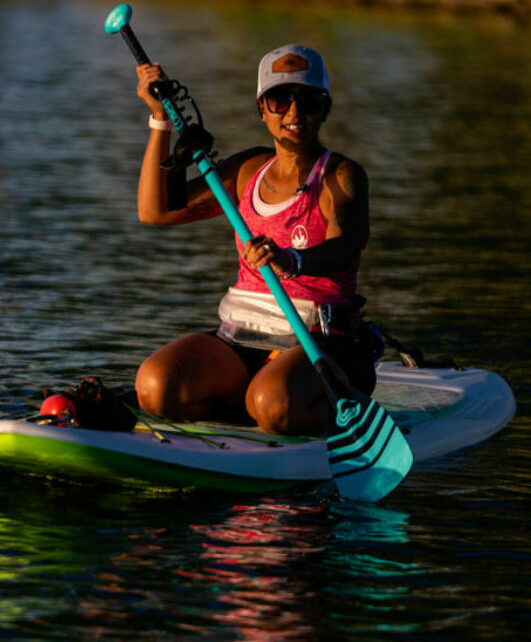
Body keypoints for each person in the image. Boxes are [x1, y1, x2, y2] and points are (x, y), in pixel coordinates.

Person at [132, 44, 378, 436]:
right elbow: (154, 211)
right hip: (242, 333)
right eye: (280, 101)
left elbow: (347, 247)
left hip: (318, 338)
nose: (293, 113)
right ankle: (259, 404)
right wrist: (160, 119)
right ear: (262, 109)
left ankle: (325, 402)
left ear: (324, 109)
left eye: (307, 101)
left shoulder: (341, 175)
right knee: (155, 387)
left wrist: (292, 261)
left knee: (273, 403)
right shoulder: (248, 169)